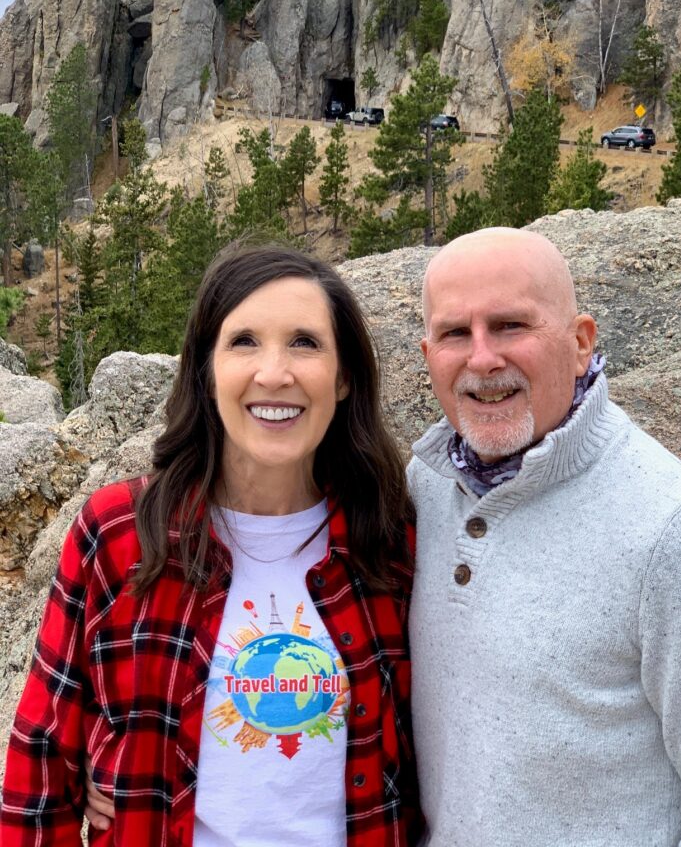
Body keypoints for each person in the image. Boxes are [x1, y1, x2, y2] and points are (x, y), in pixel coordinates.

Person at [0, 243, 421, 847]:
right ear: (205, 368)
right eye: (243, 341)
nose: (274, 372)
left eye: (305, 342)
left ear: (345, 375)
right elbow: (41, 760)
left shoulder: (390, 539)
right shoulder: (121, 534)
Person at [408, 226, 681, 847]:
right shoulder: (426, 489)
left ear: (581, 341)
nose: (482, 358)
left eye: (511, 325)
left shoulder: (675, 532)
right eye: (457, 333)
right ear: (429, 354)